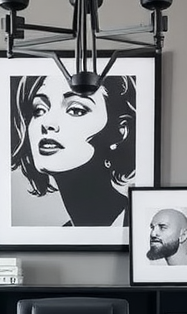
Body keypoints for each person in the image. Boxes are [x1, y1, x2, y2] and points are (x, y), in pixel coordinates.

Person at [10, 71, 136, 226]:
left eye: (76, 110)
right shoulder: (67, 233)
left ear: (120, 131)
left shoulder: (135, 223)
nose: (47, 123)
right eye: (39, 110)